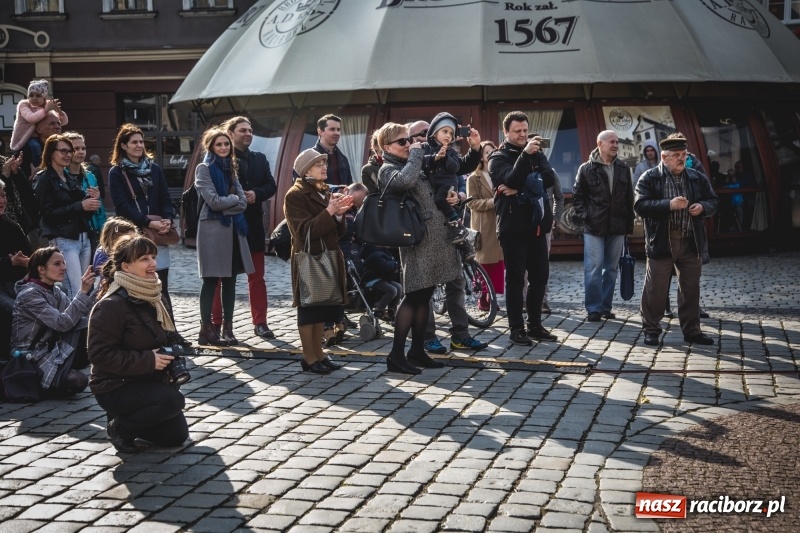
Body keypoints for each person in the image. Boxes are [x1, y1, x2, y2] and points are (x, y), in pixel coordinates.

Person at [88, 235, 189, 453]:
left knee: (175, 436)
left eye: (153, 257)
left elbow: (168, 336)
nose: (152, 263)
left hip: (148, 381)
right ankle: (121, 429)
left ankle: (130, 417)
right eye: (144, 259)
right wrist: (149, 360)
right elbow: (100, 355)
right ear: (126, 266)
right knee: (173, 401)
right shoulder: (111, 305)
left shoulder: (155, 296)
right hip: (116, 385)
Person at [377, 122, 463, 374]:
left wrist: (453, 196)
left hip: (435, 239)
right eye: (402, 142)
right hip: (416, 241)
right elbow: (403, 183)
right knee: (413, 295)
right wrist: (416, 153)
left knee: (425, 294)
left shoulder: (414, 162)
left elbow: (435, 186)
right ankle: (395, 355)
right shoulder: (387, 168)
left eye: (409, 140)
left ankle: (416, 350)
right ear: (386, 147)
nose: (409, 145)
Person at [403, 121, 487, 355]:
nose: (447, 136)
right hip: (425, 233)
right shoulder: (414, 158)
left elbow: (460, 179)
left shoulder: (448, 152)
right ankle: (428, 336)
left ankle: (461, 335)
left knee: (456, 282)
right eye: (419, 134)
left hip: (450, 227)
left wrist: (458, 196)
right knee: (426, 286)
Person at [635, 133, 719, 347]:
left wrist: (703, 208)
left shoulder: (696, 176)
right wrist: (668, 205)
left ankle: (692, 331)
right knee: (656, 289)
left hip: (691, 241)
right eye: (675, 155)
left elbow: (713, 201)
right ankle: (651, 330)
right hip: (663, 241)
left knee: (691, 288)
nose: (681, 158)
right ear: (664, 157)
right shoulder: (650, 177)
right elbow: (640, 206)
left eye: (683, 154)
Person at [488, 111, 558, 346]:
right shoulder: (497, 157)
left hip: (537, 224)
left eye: (525, 131)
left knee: (541, 276)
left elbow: (549, 178)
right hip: (513, 226)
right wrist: (526, 161)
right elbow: (509, 177)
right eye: (517, 131)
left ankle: (535, 325)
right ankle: (516, 328)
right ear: (506, 132)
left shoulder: (537, 152)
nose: (523, 135)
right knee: (517, 279)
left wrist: (522, 188)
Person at [284, 149, 352, 374]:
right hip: (309, 258)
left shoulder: (322, 190)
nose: (324, 167)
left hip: (327, 256)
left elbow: (337, 231)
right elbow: (303, 231)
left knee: (321, 310)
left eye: (324, 163)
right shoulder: (295, 195)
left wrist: (339, 214)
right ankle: (309, 357)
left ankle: (319, 355)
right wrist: (330, 211)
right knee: (309, 310)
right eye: (318, 164)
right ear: (306, 170)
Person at [213, 117, 278, 340]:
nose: (249, 134)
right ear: (230, 134)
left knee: (257, 278)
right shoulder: (218, 160)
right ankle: (217, 324)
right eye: (243, 130)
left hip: (253, 226)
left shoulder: (259, 158)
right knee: (221, 278)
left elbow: (271, 185)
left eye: (251, 130)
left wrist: (256, 194)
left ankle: (260, 323)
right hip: (226, 226)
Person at [195, 128, 254, 346]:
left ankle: (228, 329)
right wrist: (232, 202)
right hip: (212, 230)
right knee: (210, 280)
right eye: (219, 144)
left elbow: (244, 202)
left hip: (233, 231)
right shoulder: (204, 168)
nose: (223, 148)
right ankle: (206, 330)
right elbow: (213, 201)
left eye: (226, 144)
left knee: (231, 280)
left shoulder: (232, 169)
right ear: (210, 147)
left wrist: (228, 202)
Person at [108, 123, 175, 309]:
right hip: (134, 234)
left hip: (158, 234)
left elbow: (166, 198)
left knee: (161, 283)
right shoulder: (117, 172)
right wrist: (147, 222)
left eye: (141, 142)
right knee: (139, 284)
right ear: (123, 145)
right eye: (134, 142)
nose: (139, 145)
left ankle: (170, 331)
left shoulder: (154, 169)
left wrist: (167, 218)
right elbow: (122, 206)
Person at [11, 246, 93, 397]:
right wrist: (82, 292)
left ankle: (54, 378)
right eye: (57, 264)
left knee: (85, 324)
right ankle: (38, 383)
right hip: (30, 358)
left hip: (50, 351)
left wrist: (97, 290)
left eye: (63, 263)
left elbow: (75, 314)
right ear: (41, 269)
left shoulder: (54, 291)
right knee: (79, 381)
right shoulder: (29, 294)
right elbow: (62, 323)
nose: (64, 268)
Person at [572, 130, 635, 322]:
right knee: (593, 268)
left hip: (617, 227)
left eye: (617, 142)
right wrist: (586, 216)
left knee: (611, 269)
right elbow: (577, 196)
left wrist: (627, 227)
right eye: (612, 142)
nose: (616, 145)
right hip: (594, 227)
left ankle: (606, 307)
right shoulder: (586, 169)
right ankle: (593, 309)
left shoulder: (624, 168)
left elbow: (628, 199)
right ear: (600, 144)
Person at [33, 134, 101, 300]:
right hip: (64, 238)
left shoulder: (69, 177)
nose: (68, 154)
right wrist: (81, 205)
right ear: (51, 153)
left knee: (86, 287)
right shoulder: (43, 179)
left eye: (69, 151)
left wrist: (91, 201)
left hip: (83, 237)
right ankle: (72, 325)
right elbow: (47, 215)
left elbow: (83, 210)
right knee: (75, 289)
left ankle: (83, 324)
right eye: (63, 151)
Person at [420, 112, 482, 262]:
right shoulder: (424, 148)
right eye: (444, 131)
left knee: (454, 271)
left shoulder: (451, 152)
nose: (448, 136)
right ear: (434, 133)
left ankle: (465, 247)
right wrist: (435, 158)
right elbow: (418, 164)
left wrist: (475, 148)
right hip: (427, 214)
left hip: (445, 199)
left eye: (451, 133)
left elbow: (461, 167)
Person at [466, 140, 504, 311]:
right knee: (484, 263)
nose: (489, 154)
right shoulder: (474, 178)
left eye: (492, 151)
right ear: (481, 156)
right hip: (484, 226)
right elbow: (471, 203)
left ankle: (493, 299)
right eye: (486, 152)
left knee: (498, 263)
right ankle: (482, 299)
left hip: (499, 223)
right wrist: (491, 202)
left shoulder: (499, 173)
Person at [0, 178, 32, 357]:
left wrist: (29, 262)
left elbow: (30, 256)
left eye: (3, 196)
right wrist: (9, 262)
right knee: (15, 312)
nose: (2, 200)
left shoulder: (12, 226)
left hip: (18, 284)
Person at [64, 131, 107, 255]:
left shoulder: (89, 176)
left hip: (91, 232)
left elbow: (99, 208)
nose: (81, 151)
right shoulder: (61, 176)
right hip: (70, 234)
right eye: (76, 148)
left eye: (83, 148)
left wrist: (103, 231)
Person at [10, 80, 69, 153]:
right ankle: (36, 164)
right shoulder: (24, 105)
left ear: (44, 97)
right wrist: (46, 110)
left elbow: (63, 122)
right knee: (35, 146)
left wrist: (58, 110)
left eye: (38, 96)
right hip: (25, 137)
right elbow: (31, 118)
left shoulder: (46, 106)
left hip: (40, 137)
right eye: (31, 95)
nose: (34, 98)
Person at [361, 245, 403, 322]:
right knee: (392, 290)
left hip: (382, 279)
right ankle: (379, 310)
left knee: (399, 287)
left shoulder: (384, 252)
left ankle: (392, 310)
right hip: (372, 281)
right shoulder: (375, 254)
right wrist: (395, 264)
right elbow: (385, 266)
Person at [542, 171, 565, 314]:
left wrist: (555, 218)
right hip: (524, 224)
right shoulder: (520, 167)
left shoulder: (549, 172)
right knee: (523, 265)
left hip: (545, 225)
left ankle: (542, 299)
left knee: (542, 264)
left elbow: (559, 197)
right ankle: (524, 299)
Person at [1, 153, 39, 238]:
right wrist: (4, 176)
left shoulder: (6, 162)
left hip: (18, 225)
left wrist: (16, 172)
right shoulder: (5, 167)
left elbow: (27, 195)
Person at [18, 110, 63, 182]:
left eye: (59, 123)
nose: (57, 127)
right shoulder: (29, 148)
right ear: (38, 129)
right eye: (52, 124)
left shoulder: (65, 147)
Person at [314, 114, 353, 186]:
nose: (337, 133)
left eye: (338, 129)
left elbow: (349, 186)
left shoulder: (343, 159)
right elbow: (301, 189)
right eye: (332, 129)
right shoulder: (310, 158)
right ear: (320, 131)